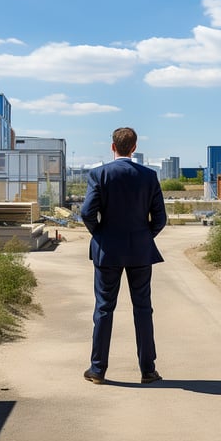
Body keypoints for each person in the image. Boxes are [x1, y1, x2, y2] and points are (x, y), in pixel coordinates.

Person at [81, 127, 167, 385]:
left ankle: (97, 370)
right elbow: (160, 218)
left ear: (112, 147)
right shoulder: (149, 176)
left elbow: (87, 212)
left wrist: (101, 234)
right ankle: (148, 370)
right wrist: (143, 236)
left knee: (104, 309)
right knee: (143, 309)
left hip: (108, 251)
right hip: (140, 251)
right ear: (134, 147)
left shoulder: (99, 174)